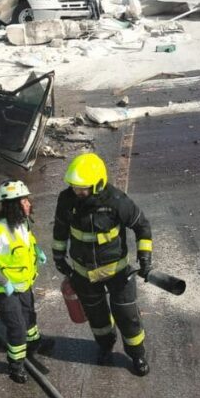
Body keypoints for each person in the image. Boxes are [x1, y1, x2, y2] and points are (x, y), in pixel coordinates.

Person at [52, 153, 153, 376]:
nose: (77, 192)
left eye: (82, 188)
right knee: (97, 319)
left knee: (127, 316)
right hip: (84, 275)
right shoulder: (67, 200)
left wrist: (145, 257)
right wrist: (58, 257)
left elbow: (142, 226)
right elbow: (60, 230)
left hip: (118, 273)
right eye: (74, 187)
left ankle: (137, 355)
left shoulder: (116, 201)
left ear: (98, 184)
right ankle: (105, 346)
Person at [0, 180, 49, 383]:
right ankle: (15, 365)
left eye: (27, 200)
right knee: (17, 328)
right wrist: (5, 283)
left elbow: (28, 241)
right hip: (5, 290)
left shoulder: (23, 222)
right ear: (13, 205)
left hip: (24, 283)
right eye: (24, 201)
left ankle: (34, 344)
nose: (29, 204)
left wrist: (38, 251)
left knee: (29, 316)